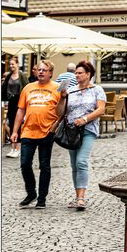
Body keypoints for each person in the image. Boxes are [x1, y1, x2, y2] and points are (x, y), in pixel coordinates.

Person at [54, 60, 106, 211]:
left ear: (88, 74)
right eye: (75, 73)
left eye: (79, 73)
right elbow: (60, 112)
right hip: (71, 131)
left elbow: (101, 110)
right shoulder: (70, 91)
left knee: (81, 161)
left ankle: (81, 198)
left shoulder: (97, 90)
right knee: (74, 164)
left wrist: (85, 119)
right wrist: (62, 97)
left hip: (88, 129)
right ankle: (77, 197)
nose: (76, 75)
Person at [10, 60, 62, 208]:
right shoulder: (28, 87)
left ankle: (42, 198)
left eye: (44, 70)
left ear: (51, 73)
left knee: (44, 166)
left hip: (47, 131)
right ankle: (31, 193)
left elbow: (62, 112)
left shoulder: (57, 88)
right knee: (25, 164)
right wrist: (15, 131)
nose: (40, 72)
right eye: (39, 70)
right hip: (28, 131)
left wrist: (55, 125)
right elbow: (21, 110)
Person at [2, 56, 24, 158]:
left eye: (13, 64)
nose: (11, 66)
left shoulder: (22, 75)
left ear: (17, 64)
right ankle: (12, 148)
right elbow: (4, 88)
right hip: (11, 101)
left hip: (19, 102)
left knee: (18, 125)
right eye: (10, 64)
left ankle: (18, 149)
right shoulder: (9, 76)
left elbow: (26, 88)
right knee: (10, 125)